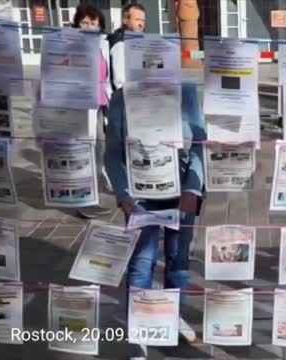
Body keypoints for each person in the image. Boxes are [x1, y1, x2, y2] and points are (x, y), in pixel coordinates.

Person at [104, 83, 205, 343]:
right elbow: (112, 152)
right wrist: (123, 195)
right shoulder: (122, 97)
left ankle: (173, 315)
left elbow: (198, 145)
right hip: (140, 194)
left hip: (181, 192)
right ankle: (140, 330)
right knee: (141, 262)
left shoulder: (186, 92)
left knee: (178, 260)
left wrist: (193, 189)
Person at [71, 4, 113, 217]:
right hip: (79, 107)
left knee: (98, 151)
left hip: (98, 105)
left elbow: (105, 77)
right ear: (77, 24)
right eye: (84, 22)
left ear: (100, 27)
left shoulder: (101, 45)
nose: (88, 27)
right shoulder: (70, 45)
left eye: (93, 24)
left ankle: (91, 198)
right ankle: (82, 201)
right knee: (84, 152)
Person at [108, 3, 146, 91]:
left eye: (143, 20)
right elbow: (120, 81)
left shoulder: (137, 41)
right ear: (125, 20)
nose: (141, 24)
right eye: (137, 20)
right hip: (126, 98)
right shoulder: (120, 43)